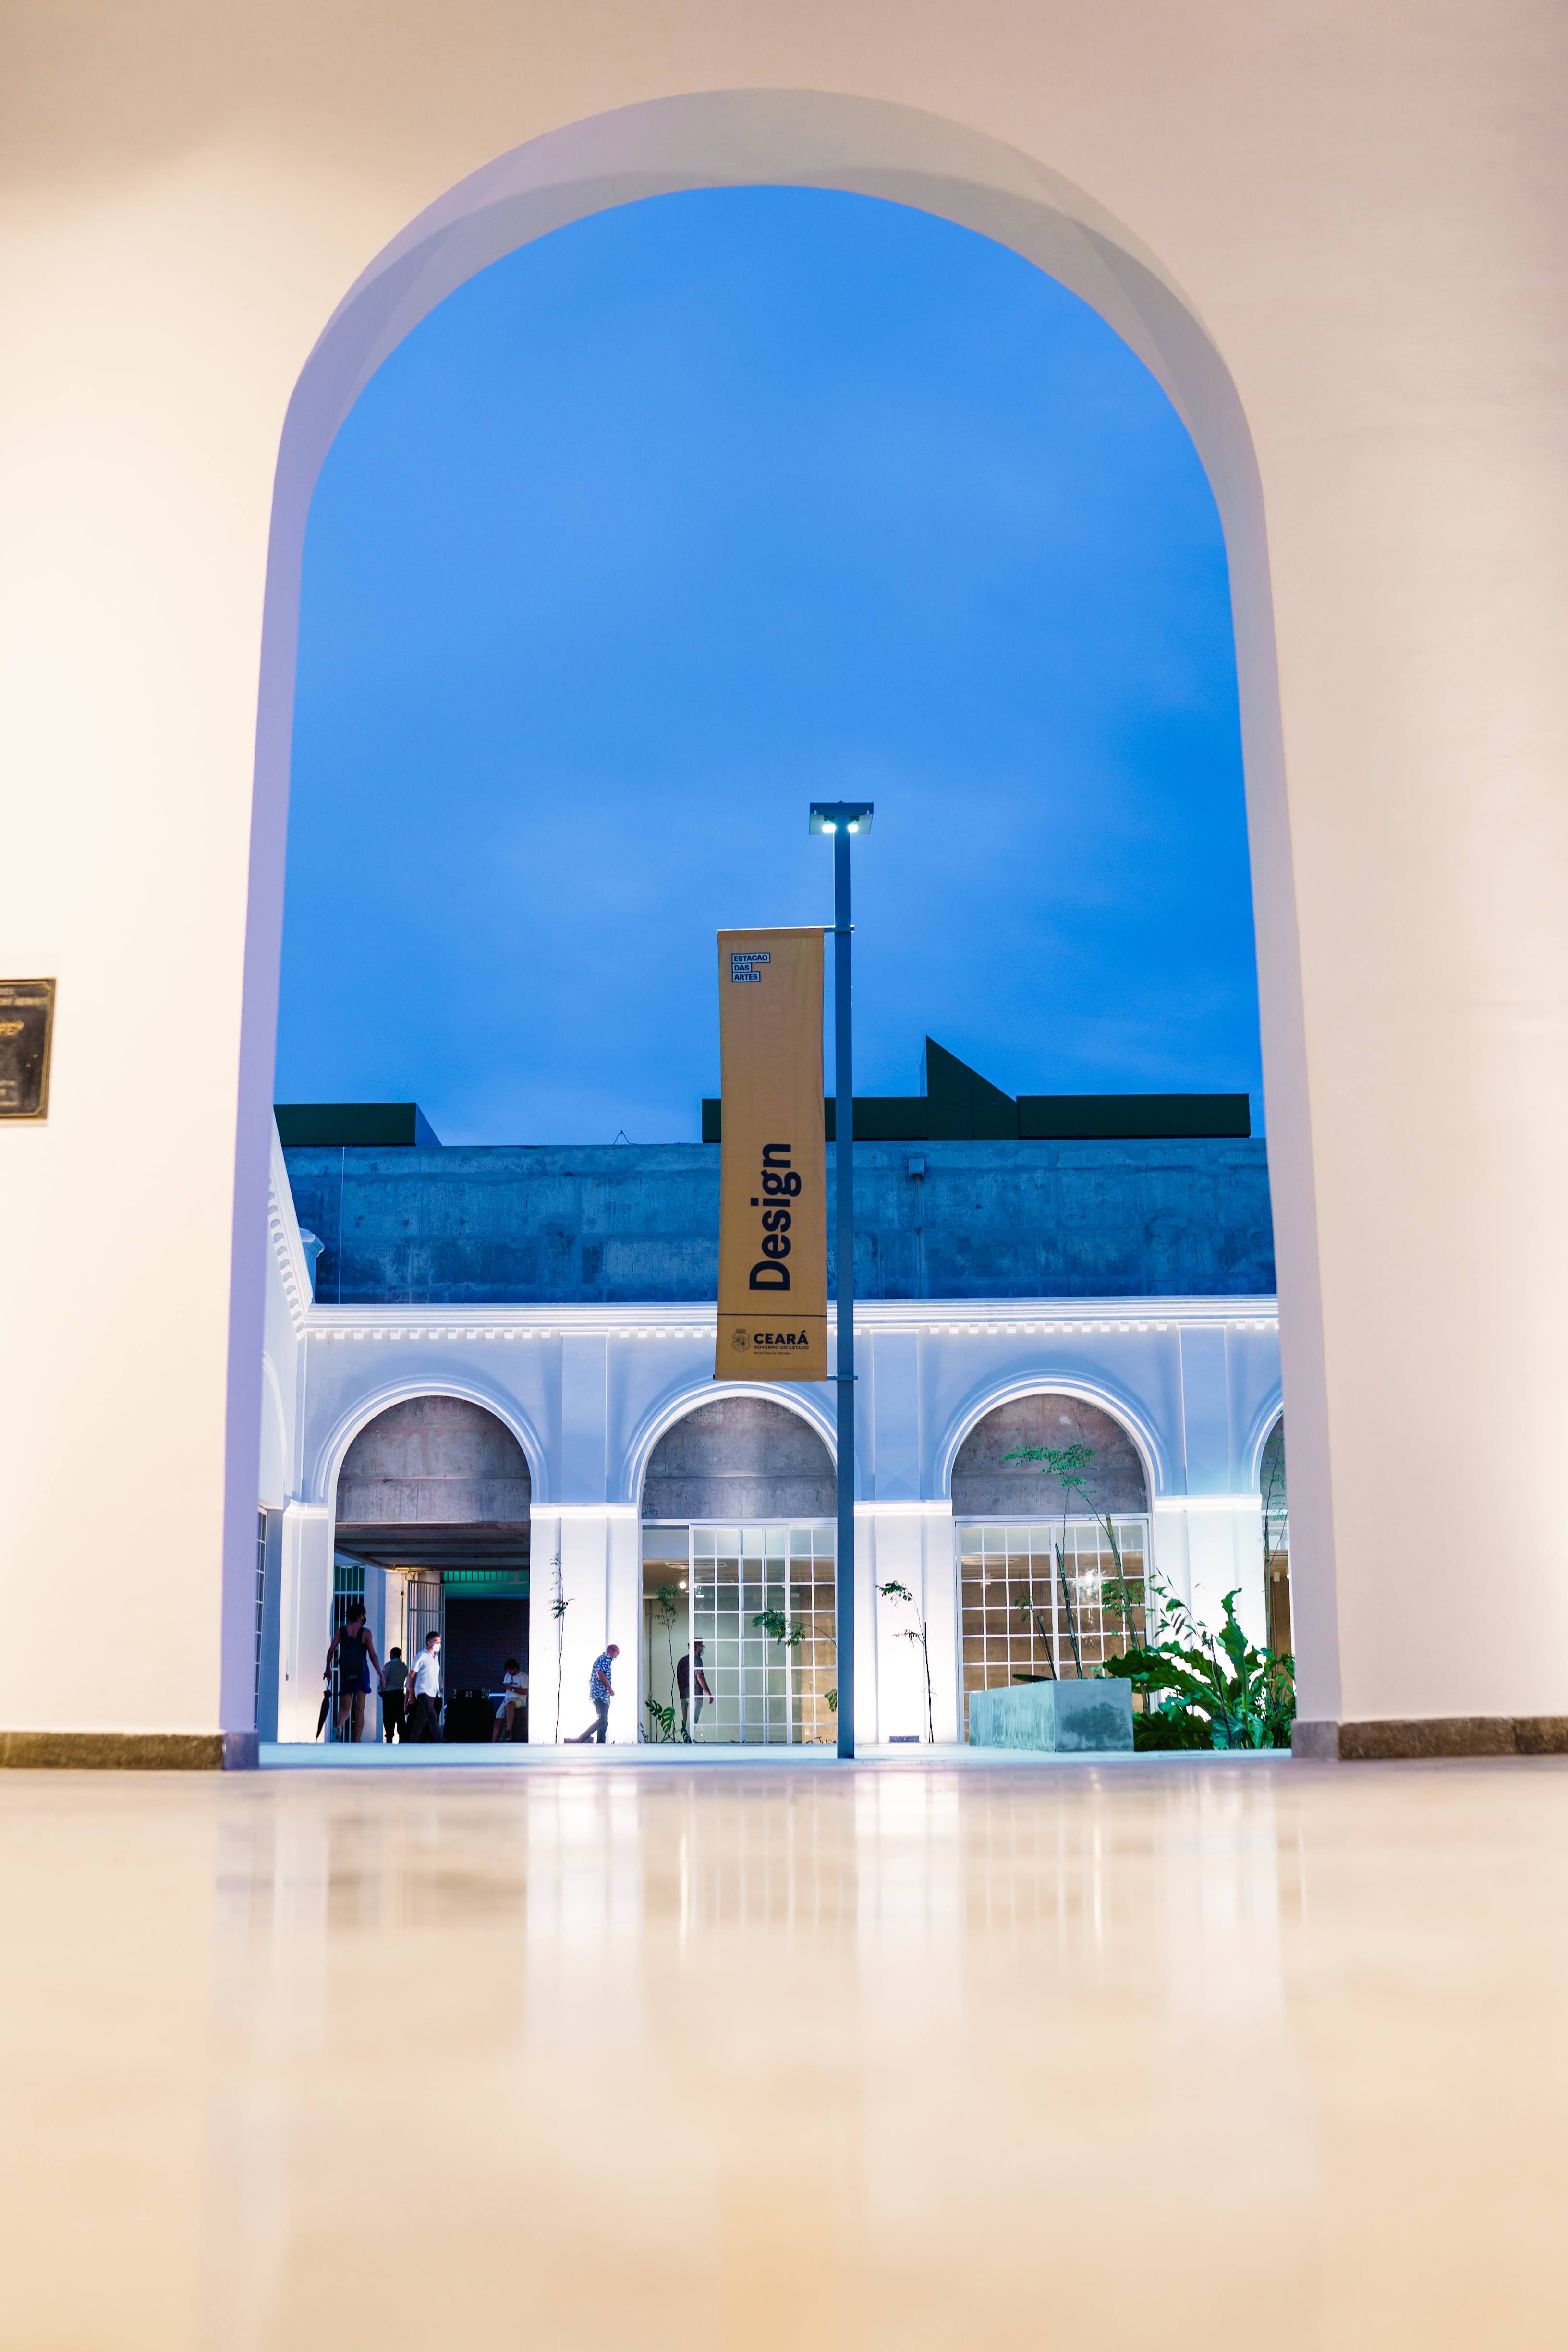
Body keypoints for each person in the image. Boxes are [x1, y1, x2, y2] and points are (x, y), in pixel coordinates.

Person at [325, 1603, 381, 1744]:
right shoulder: (366, 1633)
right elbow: (373, 1655)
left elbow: (331, 1651)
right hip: (362, 1673)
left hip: (346, 1673)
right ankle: (357, 1740)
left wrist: (328, 1669)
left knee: (345, 1709)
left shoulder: (341, 1631)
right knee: (360, 1709)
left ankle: (339, 1727)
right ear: (361, 1616)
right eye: (364, 1615)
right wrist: (381, 1674)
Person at [569, 1642, 619, 1742]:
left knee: (604, 1722)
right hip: (600, 1695)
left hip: (604, 1696)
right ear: (613, 1651)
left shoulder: (606, 1661)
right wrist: (610, 1689)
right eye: (617, 1654)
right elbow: (600, 1674)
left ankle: (601, 1743)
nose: (616, 1657)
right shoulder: (604, 1659)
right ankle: (582, 1738)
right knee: (602, 1720)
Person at [406, 1629, 443, 1742]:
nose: (439, 1645)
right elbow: (412, 1675)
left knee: (420, 1720)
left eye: (440, 1642)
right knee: (432, 1716)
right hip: (422, 1691)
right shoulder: (421, 1656)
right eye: (436, 1642)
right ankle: (441, 1741)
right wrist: (411, 1691)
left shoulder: (436, 1658)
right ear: (429, 1642)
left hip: (433, 1692)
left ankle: (412, 1741)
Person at [675, 1640, 711, 1739]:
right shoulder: (697, 1660)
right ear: (698, 1647)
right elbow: (699, 1677)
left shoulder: (682, 1661)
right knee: (691, 1725)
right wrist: (708, 1693)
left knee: (687, 1724)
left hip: (684, 1697)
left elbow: (679, 1680)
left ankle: (688, 1743)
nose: (703, 1648)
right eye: (702, 1646)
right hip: (695, 1696)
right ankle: (689, 1744)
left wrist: (683, 1693)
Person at [492, 1657, 528, 1743]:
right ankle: (494, 1742)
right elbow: (506, 1688)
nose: (509, 1673)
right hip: (507, 1699)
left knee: (510, 1705)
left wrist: (512, 1689)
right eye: (508, 1671)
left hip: (519, 1699)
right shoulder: (507, 1676)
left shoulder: (523, 1677)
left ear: (516, 1669)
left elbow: (527, 1692)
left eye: (510, 1671)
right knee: (499, 1717)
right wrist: (504, 1688)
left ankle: (509, 1730)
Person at [379, 1646, 409, 1742]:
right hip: (400, 1694)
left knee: (388, 1718)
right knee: (400, 1718)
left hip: (389, 1695)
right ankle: (402, 1739)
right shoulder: (404, 1667)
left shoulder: (389, 1666)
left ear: (392, 1654)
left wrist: (380, 1691)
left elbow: (384, 1679)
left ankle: (389, 1738)